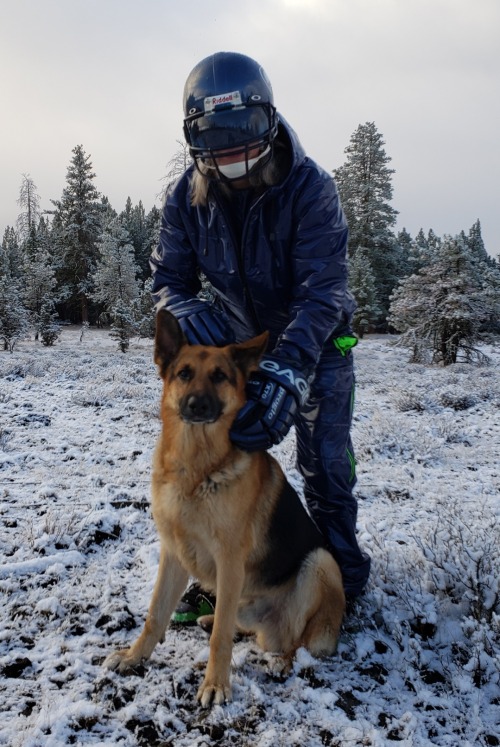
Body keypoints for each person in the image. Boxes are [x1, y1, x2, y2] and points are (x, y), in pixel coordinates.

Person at [150, 51, 370, 623]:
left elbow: (322, 295)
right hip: (238, 344)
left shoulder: (310, 191)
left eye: (242, 132)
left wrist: (289, 372)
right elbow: (167, 278)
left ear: (267, 120)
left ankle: (339, 585)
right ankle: (224, 577)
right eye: (213, 138)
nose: (231, 153)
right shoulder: (185, 199)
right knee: (221, 461)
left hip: (315, 345)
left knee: (324, 466)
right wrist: (186, 308)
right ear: (193, 137)